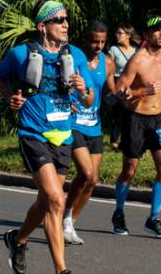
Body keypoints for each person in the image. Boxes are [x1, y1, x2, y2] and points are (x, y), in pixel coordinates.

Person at [0, 0, 91, 274]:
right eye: (58, 20)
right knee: (57, 200)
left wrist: (84, 90)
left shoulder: (77, 56)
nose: (65, 24)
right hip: (33, 132)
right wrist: (10, 98)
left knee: (45, 201)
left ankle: (18, 239)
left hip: (63, 135)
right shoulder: (20, 54)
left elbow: (88, 100)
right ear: (42, 26)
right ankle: (61, 270)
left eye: (66, 19)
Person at [111, 16, 161, 239]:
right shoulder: (138, 59)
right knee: (129, 170)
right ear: (147, 35)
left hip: (160, 118)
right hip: (136, 118)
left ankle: (153, 218)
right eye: (157, 30)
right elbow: (119, 91)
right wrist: (140, 92)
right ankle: (118, 213)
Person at [63, 21, 115, 246]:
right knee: (85, 172)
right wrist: (65, 103)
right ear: (85, 39)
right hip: (74, 123)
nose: (99, 46)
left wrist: (124, 95)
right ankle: (64, 218)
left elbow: (111, 92)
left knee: (93, 180)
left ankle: (70, 222)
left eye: (103, 42)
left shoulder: (108, 62)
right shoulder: (71, 58)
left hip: (94, 125)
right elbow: (56, 84)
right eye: (95, 41)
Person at [106, 25, 137, 149]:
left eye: (120, 33)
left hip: (133, 83)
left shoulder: (137, 50)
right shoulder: (113, 49)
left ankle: (128, 139)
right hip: (118, 81)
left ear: (128, 35)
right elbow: (109, 70)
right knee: (120, 111)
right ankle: (114, 141)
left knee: (131, 111)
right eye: (116, 33)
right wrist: (112, 88)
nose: (117, 35)